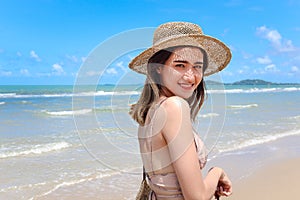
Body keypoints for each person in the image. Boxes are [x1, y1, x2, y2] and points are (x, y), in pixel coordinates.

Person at [129, 21, 232, 200]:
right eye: (180, 65)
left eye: (197, 66)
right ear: (158, 69)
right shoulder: (174, 107)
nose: (191, 76)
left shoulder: (149, 112)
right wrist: (217, 173)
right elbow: (196, 197)